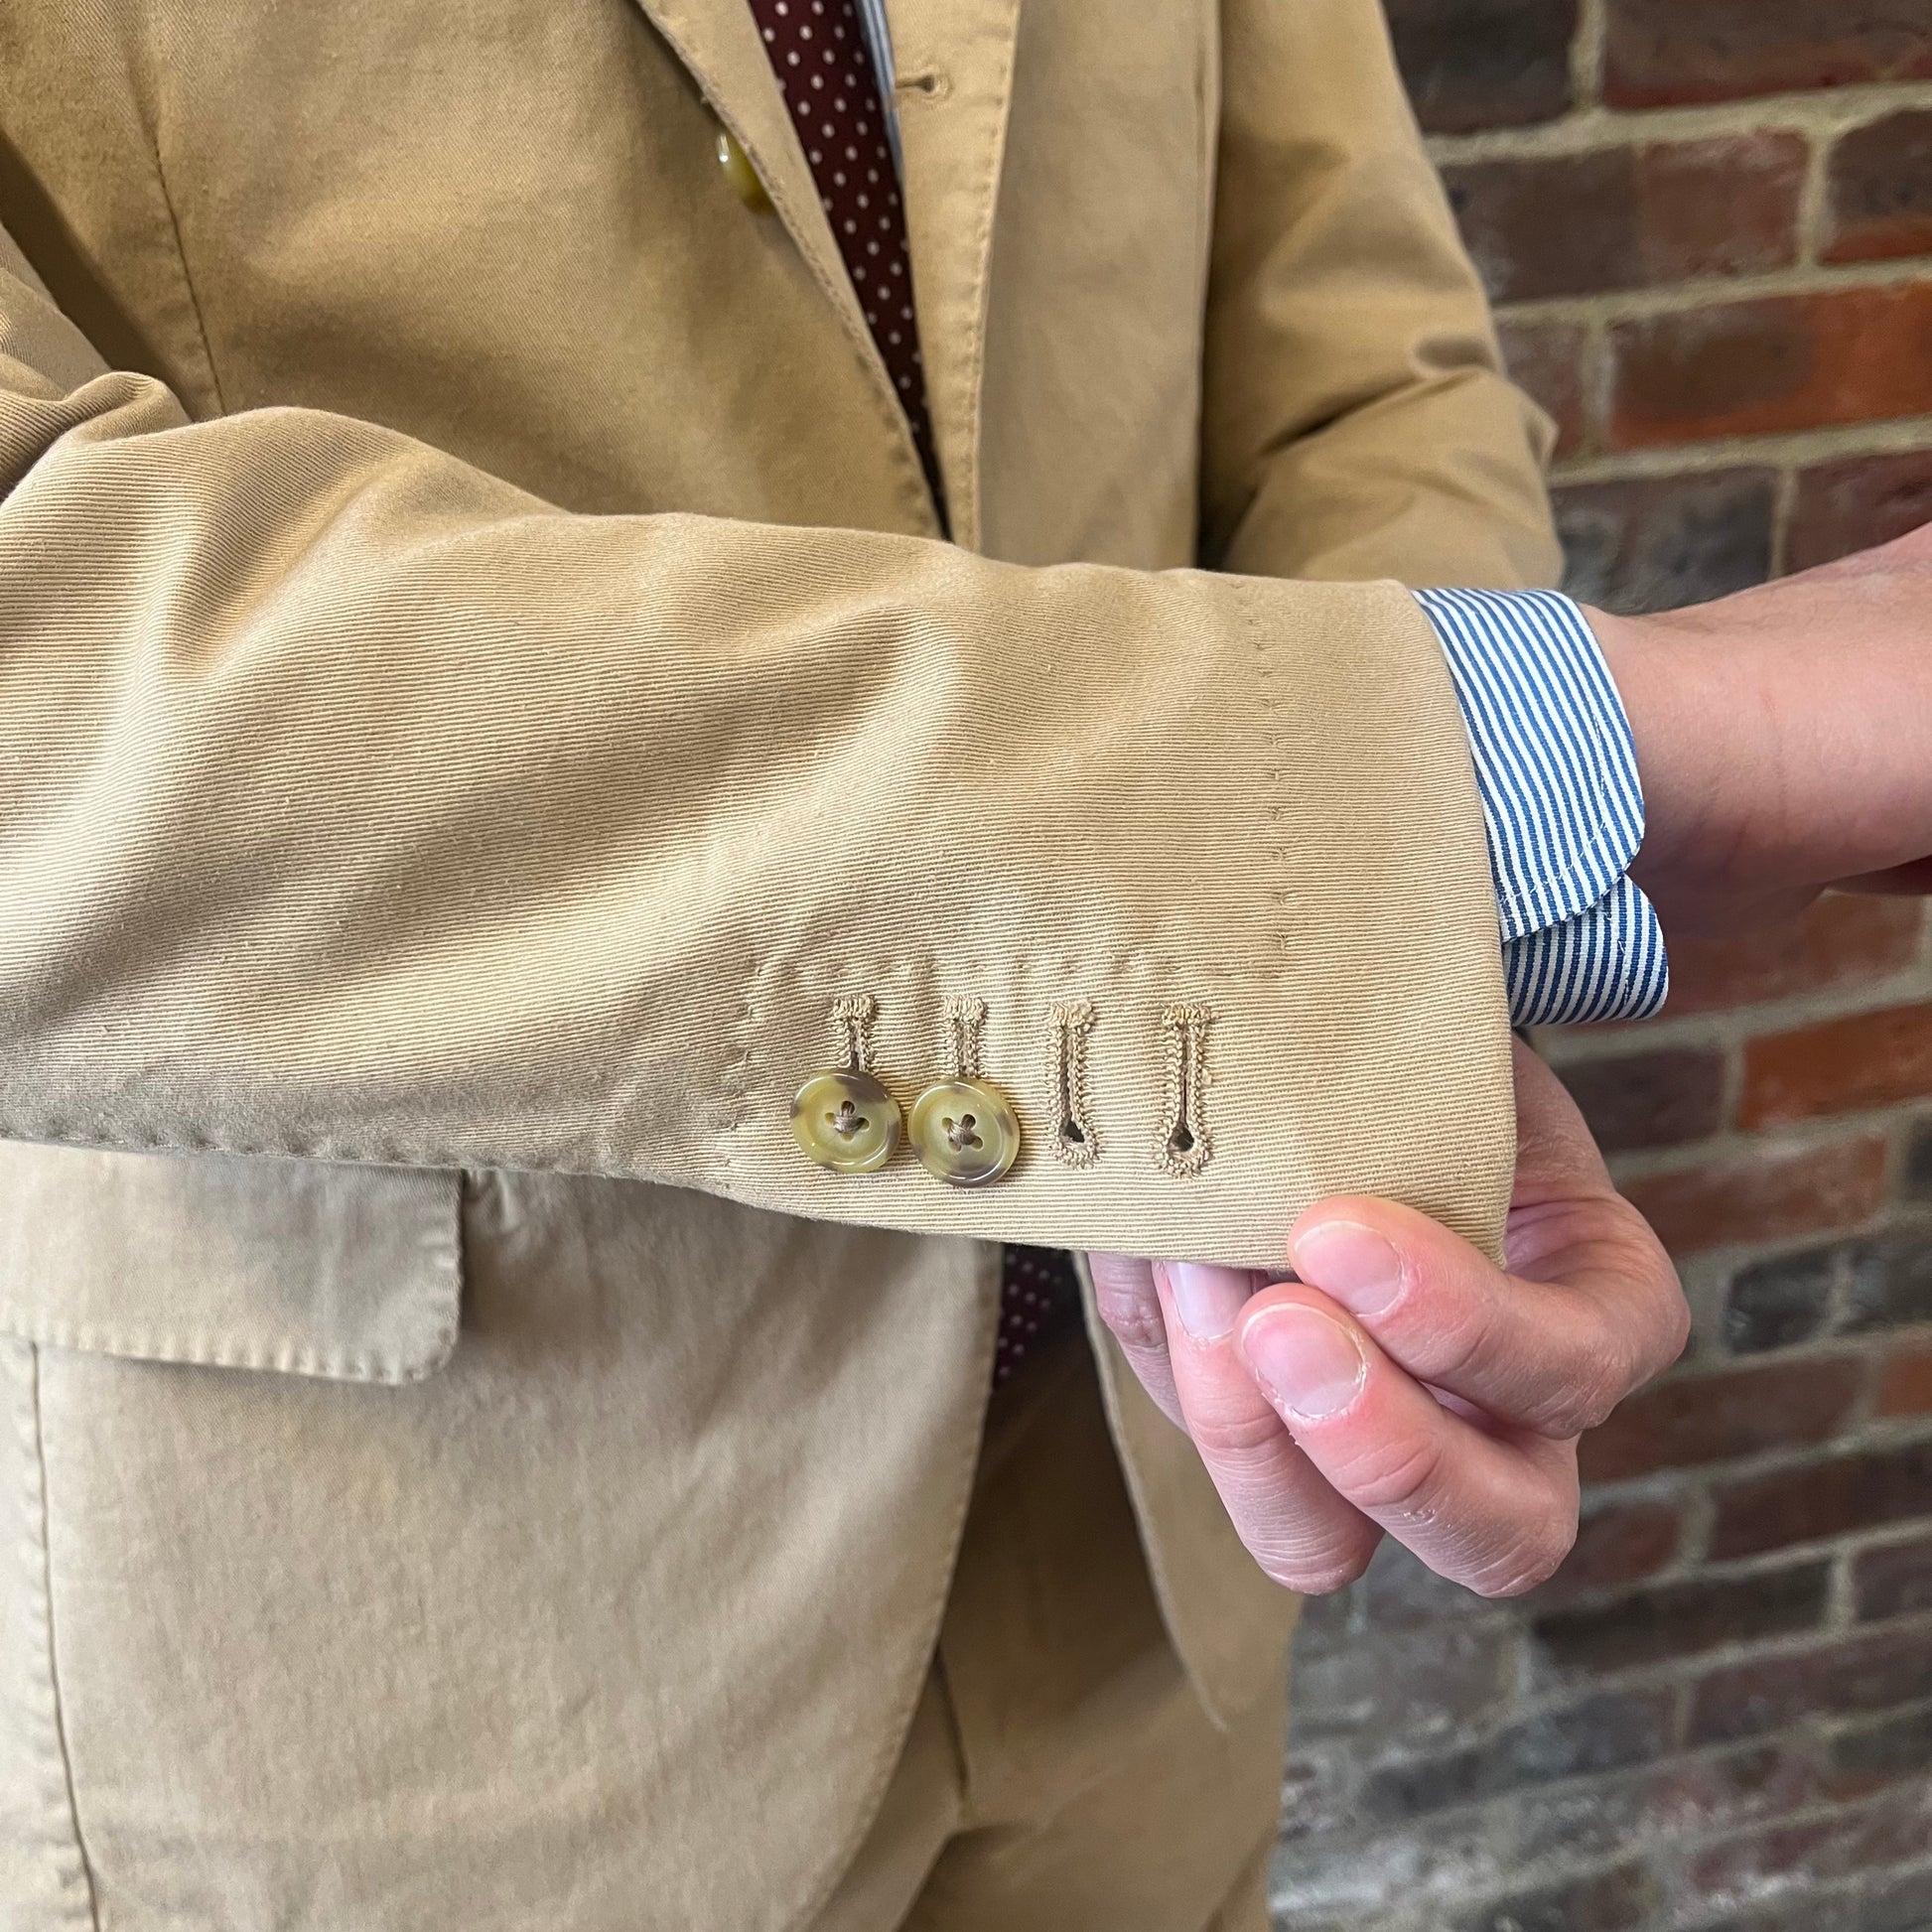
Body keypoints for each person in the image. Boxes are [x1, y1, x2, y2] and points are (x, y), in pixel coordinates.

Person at [0, 3, 1924, 1928]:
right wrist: (1558, 758)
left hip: (1148, 1496)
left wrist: (1324, 982)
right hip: (423, 1619)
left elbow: (1356, 375)